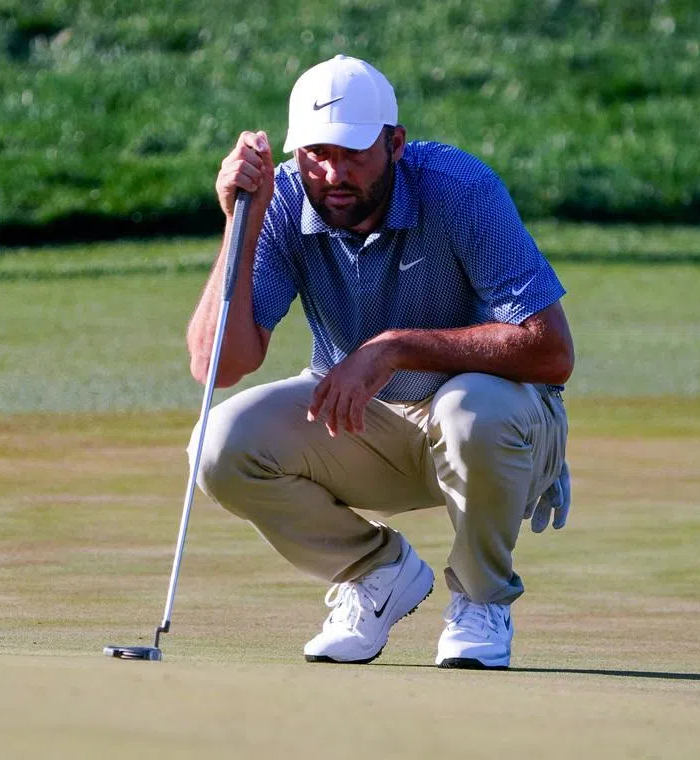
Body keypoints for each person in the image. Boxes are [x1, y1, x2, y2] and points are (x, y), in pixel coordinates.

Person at [185, 55, 574, 669]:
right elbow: (216, 364)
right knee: (219, 444)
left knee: (471, 409)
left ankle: (480, 600)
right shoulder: (282, 203)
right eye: (315, 154)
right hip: (367, 428)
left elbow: (551, 351)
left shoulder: (460, 189)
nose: (332, 173)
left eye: (352, 153)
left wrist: (392, 347)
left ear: (394, 143)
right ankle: (378, 573)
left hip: (499, 423)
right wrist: (242, 222)